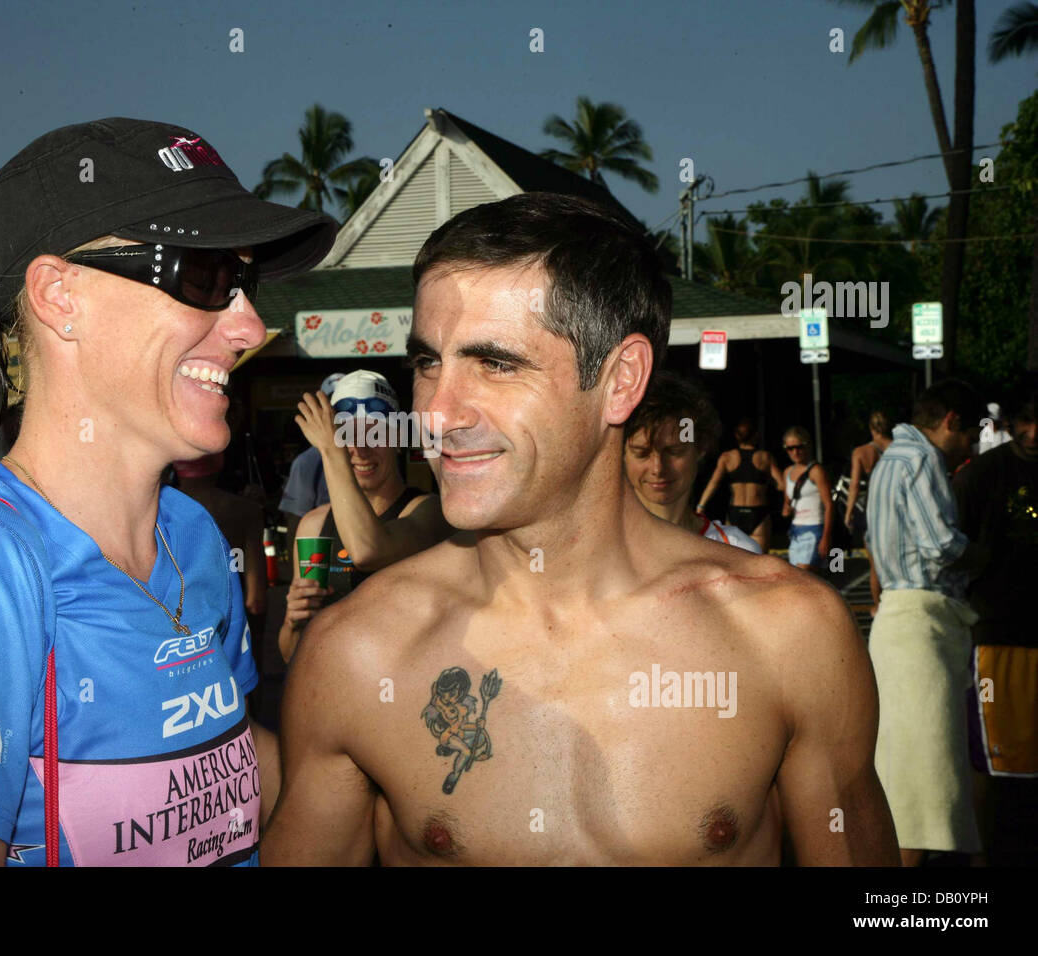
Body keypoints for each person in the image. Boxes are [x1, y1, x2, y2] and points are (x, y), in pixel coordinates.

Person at [262, 192, 897, 865]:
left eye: (496, 364)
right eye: (427, 363)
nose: (438, 414)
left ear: (621, 381)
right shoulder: (358, 654)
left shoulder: (786, 634)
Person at [0, 117, 338, 866]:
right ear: (59, 295)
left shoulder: (192, 535)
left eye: (245, 282)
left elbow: (231, 768)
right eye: (203, 276)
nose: (249, 325)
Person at [865, 379, 991, 867]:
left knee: (910, 772)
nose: (974, 444)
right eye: (972, 430)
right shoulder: (921, 460)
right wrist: (984, 554)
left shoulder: (890, 459)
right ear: (951, 421)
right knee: (922, 778)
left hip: (901, 622)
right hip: (921, 627)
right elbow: (941, 544)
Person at [278, 370, 450, 663]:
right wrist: (295, 624)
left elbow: (368, 551)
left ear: (397, 439)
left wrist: (332, 450)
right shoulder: (313, 526)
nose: (360, 449)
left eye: (375, 434)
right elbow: (291, 656)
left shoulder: (430, 512)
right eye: (347, 435)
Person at [953, 377, 1038, 863]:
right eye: (1024, 420)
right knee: (990, 759)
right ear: (1006, 423)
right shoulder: (980, 475)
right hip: (996, 633)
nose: (1033, 432)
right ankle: (980, 860)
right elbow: (950, 553)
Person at [623, 371, 760, 553]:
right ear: (621, 454)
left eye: (674, 451)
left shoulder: (736, 550)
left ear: (700, 448)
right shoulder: (593, 552)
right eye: (641, 453)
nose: (658, 468)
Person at [170, 451, 267, 667]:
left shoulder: (158, 510)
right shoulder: (245, 511)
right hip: (230, 639)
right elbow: (255, 600)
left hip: (175, 639)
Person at [695, 418, 783, 553]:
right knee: (759, 563)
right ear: (756, 435)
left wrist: (701, 506)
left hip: (735, 513)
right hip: (758, 513)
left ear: (736, 436)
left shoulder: (727, 457)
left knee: (734, 562)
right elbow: (782, 485)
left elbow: (713, 483)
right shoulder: (764, 457)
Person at [278, 372, 344, 535]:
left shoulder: (371, 451)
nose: (338, 412)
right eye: (333, 404)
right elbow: (295, 521)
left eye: (346, 404)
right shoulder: (307, 462)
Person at [844, 410, 893, 606]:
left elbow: (854, 485)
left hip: (871, 509)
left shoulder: (861, 452)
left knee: (875, 566)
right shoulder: (897, 448)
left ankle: (877, 606)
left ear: (872, 429)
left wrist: (848, 513)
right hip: (892, 506)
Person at [781, 427, 834, 573]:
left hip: (815, 529)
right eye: (790, 448)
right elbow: (787, 502)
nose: (795, 452)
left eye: (799, 447)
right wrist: (786, 509)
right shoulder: (787, 472)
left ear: (807, 446)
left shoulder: (816, 471)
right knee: (797, 578)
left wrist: (826, 537)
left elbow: (829, 505)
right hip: (796, 531)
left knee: (805, 575)